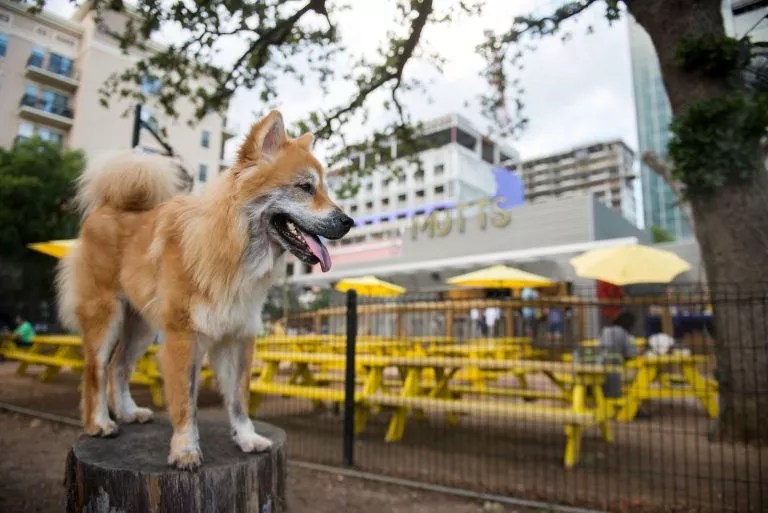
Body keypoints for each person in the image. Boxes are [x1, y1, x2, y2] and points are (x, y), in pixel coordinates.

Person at [598, 311, 638, 398]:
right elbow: (631, 354)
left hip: (600, 365)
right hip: (615, 369)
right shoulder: (623, 333)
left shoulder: (605, 330)